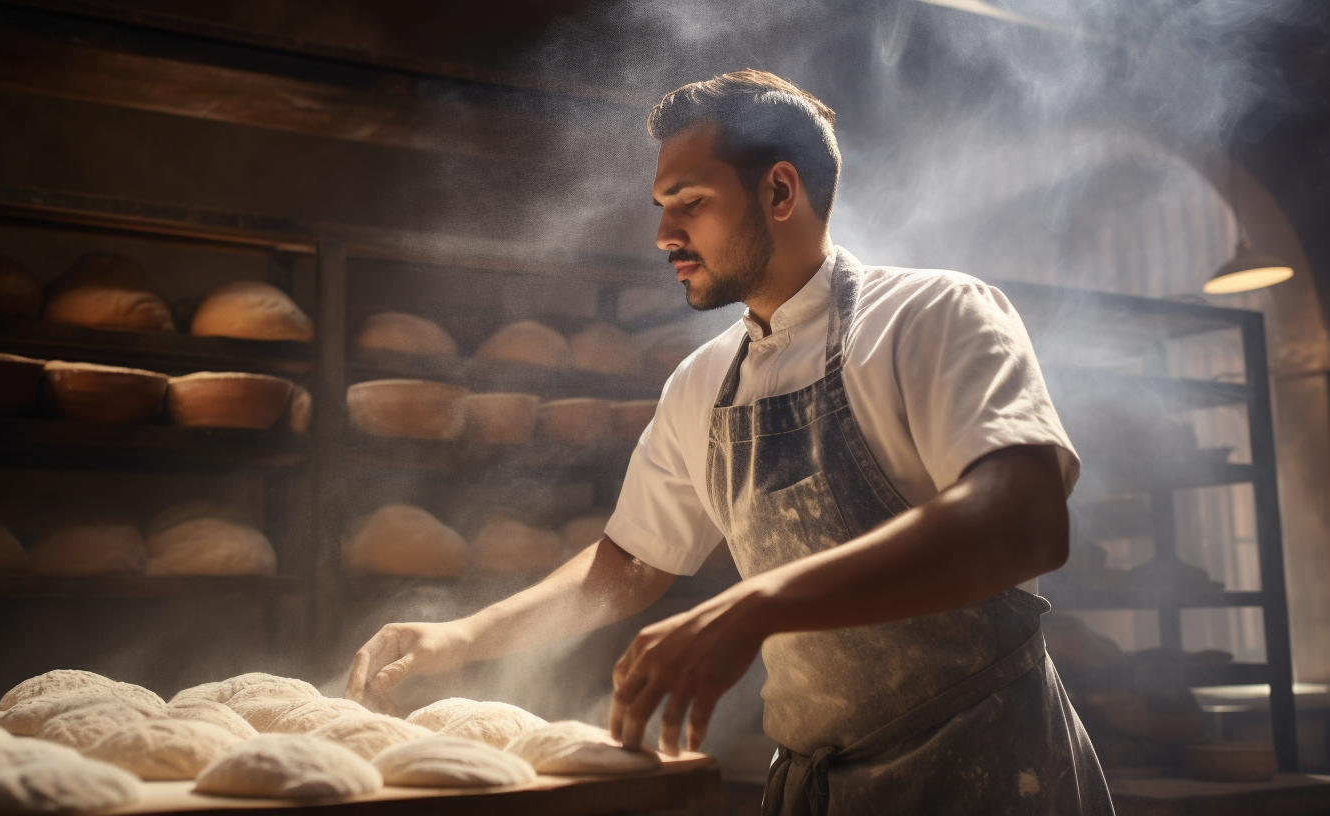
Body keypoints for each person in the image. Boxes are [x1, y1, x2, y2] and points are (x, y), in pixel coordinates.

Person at [348, 69, 1114, 814]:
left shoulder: (931, 315)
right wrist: (461, 637)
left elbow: (1022, 521)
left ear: (780, 191)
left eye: (688, 203)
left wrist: (754, 607)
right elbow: (629, 565)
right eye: (660, 205)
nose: (661, 234)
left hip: (990, 773)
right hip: (819, 785)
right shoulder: (703, 381)